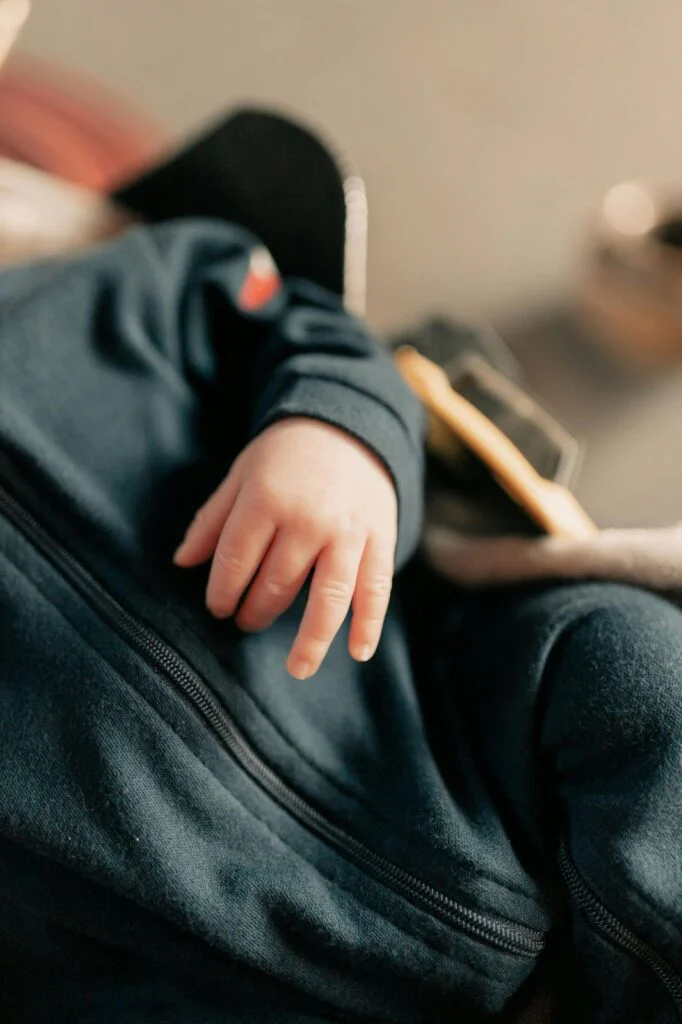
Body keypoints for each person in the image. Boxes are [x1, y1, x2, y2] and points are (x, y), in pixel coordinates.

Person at [1, 7, 681, 1024]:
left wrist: (338, 438)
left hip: (440, 736)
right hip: (193, 946)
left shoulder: (115, 277)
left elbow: (316, 331)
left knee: (642, 670)